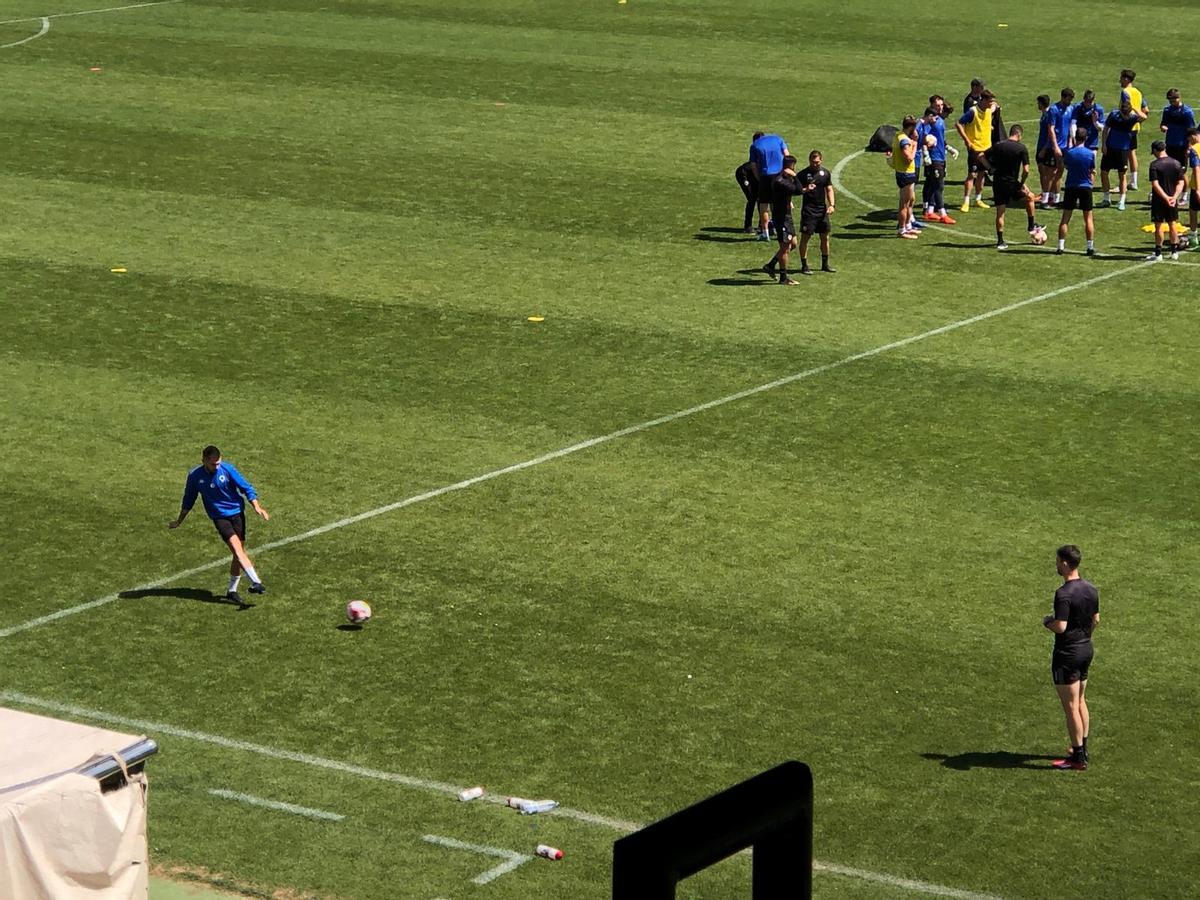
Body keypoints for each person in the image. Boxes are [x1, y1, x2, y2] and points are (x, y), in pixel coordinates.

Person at [170, 445, 269, 606]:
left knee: (239, 554)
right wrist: (179, 520)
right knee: (237, 549)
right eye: (213, 464)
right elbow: (189, 498)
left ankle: (232, 591)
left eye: (218, 463)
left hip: (237, 514)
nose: (216, 466)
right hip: (220, 518)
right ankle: (256, 581)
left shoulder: (227, 469)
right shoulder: (195, 476)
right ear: (203, 461)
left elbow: (246, 488)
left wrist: (257, 506)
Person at [1043, 544, 1099, 772]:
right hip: (1086, 649)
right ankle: (1082, 748)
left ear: (1065, 563)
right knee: (1081, 701)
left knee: (1070, 707)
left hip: (1067, 654)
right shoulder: (1091, 589)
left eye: (1057, 561)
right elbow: (1096, 619)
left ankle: (1077, 759)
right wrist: (1084, 637)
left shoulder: (1063, 593)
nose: (1056, 564)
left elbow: (1061, 626)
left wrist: (1047, 622)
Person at [984, 124, 1042, 250]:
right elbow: (1026, 170)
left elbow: (981, 156)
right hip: (1012, 183)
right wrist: (1022, 183)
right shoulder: (1021, 148)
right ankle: (1031, 226)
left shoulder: (998, 145)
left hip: (998, 182)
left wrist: (990, 168)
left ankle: (1000, 241)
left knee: (1000, 212)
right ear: (1019, 134)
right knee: (1030, 198)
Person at [761, 155, 804, 284]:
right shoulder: (780, 180)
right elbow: (799, 190)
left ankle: (771, 265)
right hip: (781, 217)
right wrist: (795, 176)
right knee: (785, 247)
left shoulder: (785, 179)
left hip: (787, 216)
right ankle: (783, 278)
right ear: (790, 166)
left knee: (794, 244)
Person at [1099, 97, 1146, 210]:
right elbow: (1105, 129)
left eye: (1127, 113)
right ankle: (1106, 198)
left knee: (1122, 175)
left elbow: (1144, 116)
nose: (1125, 115)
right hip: (1110, 148)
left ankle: (1121, 201)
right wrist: (1104, 144)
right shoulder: (1114, 115)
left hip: (1123, 150)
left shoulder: (1132, 117)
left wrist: (1134, 107)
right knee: (1104, 173)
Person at [1056, 128, 1097, 256]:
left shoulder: (1069, 153)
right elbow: (1091, 169)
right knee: (1088, 218)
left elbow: (1067, 166)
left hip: (1071, 186)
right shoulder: (1090, 154)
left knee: (1065, 218)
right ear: (1085, 138)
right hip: (1085, 187)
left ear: (1075, 138)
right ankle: (1090, 247)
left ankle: (1060, 246)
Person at [796, 150, 836, 274]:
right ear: (809, 161)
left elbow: (829, 189)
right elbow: (795, 190)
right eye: (813, 162)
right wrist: (806, 189)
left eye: (817, 162)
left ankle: (825, 264)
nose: (815, 164)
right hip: (809, 210)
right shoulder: (803, 175)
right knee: (805, 237)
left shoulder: (825, 173)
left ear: (821, 160)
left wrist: (832, 205)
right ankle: (804, 265)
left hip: (822, 210)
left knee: (825, 237)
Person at [956, 90, 996, 212]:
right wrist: (967, 141)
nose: (991, 104)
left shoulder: (989, 109)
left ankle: (978, 199)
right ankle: (966, 201)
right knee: (971, 175)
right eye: (989, 101)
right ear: (983, 100)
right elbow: (958, 123)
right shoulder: (973, 112)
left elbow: (995, 107)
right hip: (975, 148)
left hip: (986, 147)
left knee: (982, 174)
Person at [1146, 140, 1185, 261]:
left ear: (1156, 151)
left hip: (1159, 200)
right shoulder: (1176, 163)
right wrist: (1173, 197)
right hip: (1172, 200)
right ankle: (1174, 252)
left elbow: (1155, 184)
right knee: (1172, 224)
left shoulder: (1154, 165)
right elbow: (1181, 182)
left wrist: (1165, 197)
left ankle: (1158, 253)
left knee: (1158, 226)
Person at [750, 131, 789, 241]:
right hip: (779, 175)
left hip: (765, 176)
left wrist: (758, 177)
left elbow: (753, 165)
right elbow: (787, 155)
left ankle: (765, 232)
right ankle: (779, 230)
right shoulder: (778, 139)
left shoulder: (755, 145)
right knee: (776, 205)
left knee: (763, 206)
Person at [1118, 69, 1149, 190]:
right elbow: (1145, 110)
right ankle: (1134, 182)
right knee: (1132, 153)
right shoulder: (1138, 92)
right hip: (1135, 126)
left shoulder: (1125, 92)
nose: (1119, 80)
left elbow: (1126, 109)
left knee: (1124, 153)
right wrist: (1138, 120)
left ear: (1126, 79)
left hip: (1126, 127)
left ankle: (1124, 182)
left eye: (1121, 78)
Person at [1045, 88, 1077, 206]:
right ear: (1063, 97)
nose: (1070, 101)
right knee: (1051, 173)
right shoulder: (1054, 109)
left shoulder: (1071, 108)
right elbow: (1051, 129)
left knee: (1060, 172)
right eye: (1069, 99)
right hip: (1055, 147)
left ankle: (1056, 198)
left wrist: (1070, 142)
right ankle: (1045, 199)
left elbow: (1070, 127)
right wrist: (1055, 146)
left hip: (1066, 147)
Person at [891, 116, 921, 238]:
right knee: (904, 204)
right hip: (906, 174)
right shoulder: (904, 141)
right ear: (911, 127)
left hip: (906, 173)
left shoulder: (899, 135)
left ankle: (908, 226)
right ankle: (902, 230)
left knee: (911, 200)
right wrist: (914, 145)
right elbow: (908, 158)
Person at [1159, 89, 1196, 172]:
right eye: (1170, 100)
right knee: (1170, 170)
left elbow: (1191, 131)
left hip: (1182, 145)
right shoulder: (1167, 111)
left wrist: (1189, 147)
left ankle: (1184, 185)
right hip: (1170, 144)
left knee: (1181, 172)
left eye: (1173, 100)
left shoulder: (1187, 112)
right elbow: (1163, 124)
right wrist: (1163, 127)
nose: (1172, 102)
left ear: (1179, 98)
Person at [734, 133, 763, 233]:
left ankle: (762, 225)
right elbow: (749, 167)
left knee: (760, 200)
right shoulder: (756, 150)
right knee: (752, 199)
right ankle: (748, 226)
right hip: (746, 175)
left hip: (754, 175)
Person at [1070, 90, 1105, 171]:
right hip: (1079, 142)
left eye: (1090, 102)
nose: (1088, 104)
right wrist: (1074, 138)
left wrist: (1095, 122)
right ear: (1083, 99)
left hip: (1092, 143)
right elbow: (1073, 123)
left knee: (1090, 168)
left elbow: (1101, 128)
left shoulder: (1098, 109)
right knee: (1077, 166)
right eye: (1086, 101)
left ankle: (1089, 183)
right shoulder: (1078, 107)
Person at [1034, 95, 1056, 206]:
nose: (1037, 105)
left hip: (1045, 148)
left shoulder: (1048, 116)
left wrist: (1044, 148)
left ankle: (1048, 195)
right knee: (1042, 173)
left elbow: (1050, 135)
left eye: (1038, 103)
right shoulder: (1044, 115)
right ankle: (1045, 193)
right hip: (1040, 146)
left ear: (1041, 103)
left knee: (1047, 174)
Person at [1186, 127, 1200, 245]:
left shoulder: (1194, 150)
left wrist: (1198, 189)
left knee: (1193, 211)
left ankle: (1193, 236)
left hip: (1197, 185)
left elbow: (1196, 169)